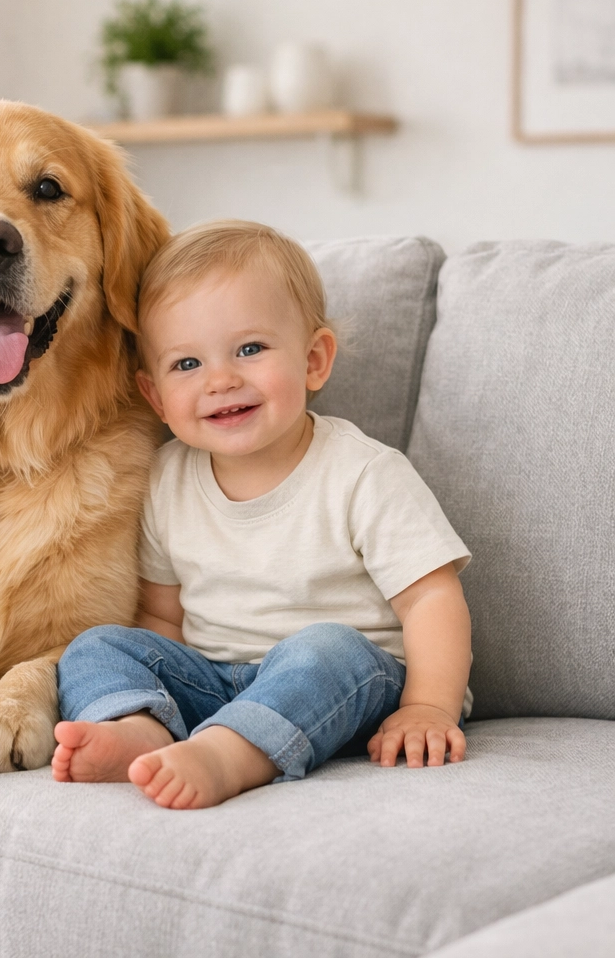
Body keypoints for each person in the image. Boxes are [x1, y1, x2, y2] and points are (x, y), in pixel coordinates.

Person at [51, 219, 472, 809]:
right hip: (215, 679)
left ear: (314, 360)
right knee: (98, 644)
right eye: (186, 365)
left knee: (325, 648)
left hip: (354, 684)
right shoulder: (165, 478)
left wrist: (428, 705)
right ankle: (140, 729)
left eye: (250, 350)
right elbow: (161, 616)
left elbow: (432, 598)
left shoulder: (363, 473)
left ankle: (231, 756)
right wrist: (157, 681)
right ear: (155, 397)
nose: (221, 380)